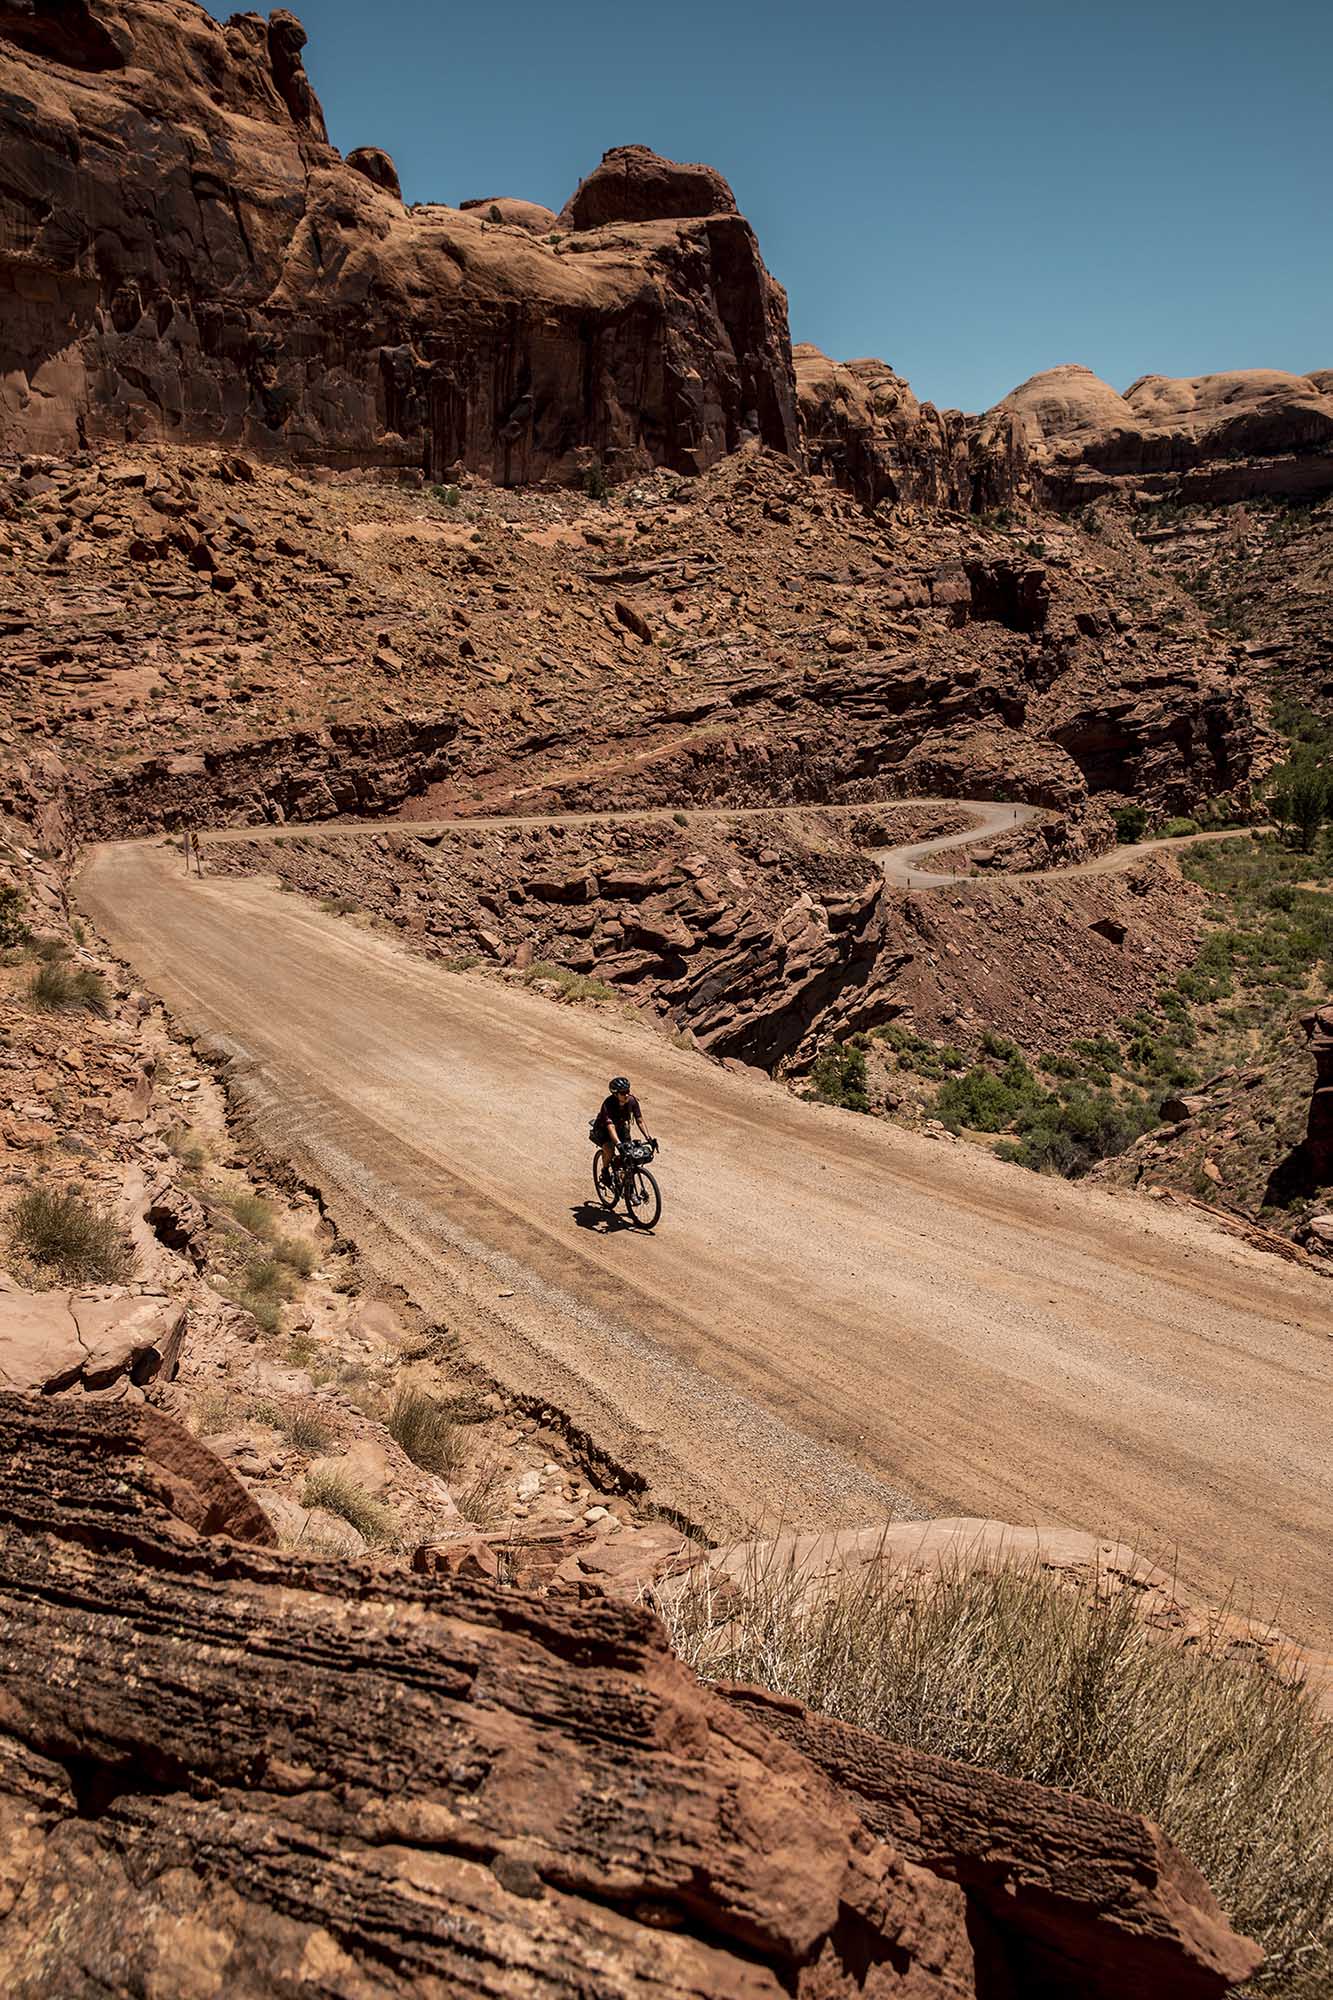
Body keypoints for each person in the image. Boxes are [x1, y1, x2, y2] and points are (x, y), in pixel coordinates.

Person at [592, 1076, 653, 1185]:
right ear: (615, 1094)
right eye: (623, 1093)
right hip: (604, 1130)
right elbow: (610, 1126)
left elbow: (639, 1120)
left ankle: (627, 1186)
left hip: (620, 1128)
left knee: (629, 1155)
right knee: (609, 1150)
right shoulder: (608, 1104)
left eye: (627, 1091)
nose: (626, 1095)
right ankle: (605, 1170)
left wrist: (648, 1138)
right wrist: (618, 1144)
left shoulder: (632, 1101)